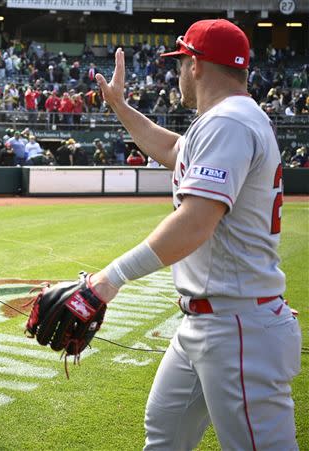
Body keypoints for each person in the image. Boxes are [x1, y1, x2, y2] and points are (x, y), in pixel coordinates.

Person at [93, 20, 300, 449]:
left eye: (181, 62)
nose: (177, 73)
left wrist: (111, 278)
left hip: (236, 322)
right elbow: (173, 150)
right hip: (210, 319)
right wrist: (119, 106)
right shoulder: (227, 118)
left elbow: (195, 222)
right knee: (165, 432)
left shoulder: (229, 122)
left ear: (198, 65)